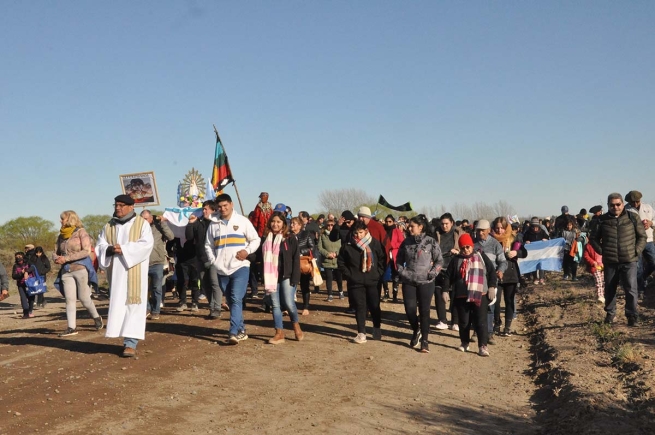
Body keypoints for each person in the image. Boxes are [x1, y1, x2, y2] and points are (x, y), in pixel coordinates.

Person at [96, 195, 154, 357]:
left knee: (134, 305)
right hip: (116, 273)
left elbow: (146, 245)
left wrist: (125, 249)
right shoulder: (109, 226)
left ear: (131, 207)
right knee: (119, 305)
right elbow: (100, 245)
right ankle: (120, 336)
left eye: (121, 205)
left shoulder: (141, 224)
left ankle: (130, 343)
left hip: (135, 272)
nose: (118, 208)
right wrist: (109, 249)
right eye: (116, 205)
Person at [204, 193, 261, 344]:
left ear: (232, 204)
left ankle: (233, 332)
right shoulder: (213, 224)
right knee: (231, 300)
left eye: (225, 205)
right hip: (222, 269)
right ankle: (241, 330)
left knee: (236, 298)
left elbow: (256, 239)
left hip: (240, 267)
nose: (223, 209)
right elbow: (208, 245)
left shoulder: (242, 221)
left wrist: (247, 251)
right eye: (220, 206)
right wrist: (213, 261)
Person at [589, 193, 647, 326]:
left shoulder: (632, 218)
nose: (615, 207)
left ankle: (632, 316)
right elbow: (593, 238)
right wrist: (601, 251)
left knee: (631, 289)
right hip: (610, 261)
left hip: (629, 260)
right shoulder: (601, 220)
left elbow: (642, 237)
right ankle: (610, 314)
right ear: (608, 205)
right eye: (612, 205)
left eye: (618, 204)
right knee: (610, 288)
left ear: (622, 204)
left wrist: (636, 251)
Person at [441, 233, 498, 356]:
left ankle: (483, 346)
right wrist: (445, 290)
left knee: (480, 321)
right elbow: (448, 276)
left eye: (468, 247)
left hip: (480, 294)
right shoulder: (456, 260)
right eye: (463, 248)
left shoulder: (481, 256)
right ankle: (464, 342)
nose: (466, 250)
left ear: (472, 246)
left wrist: (492, 287)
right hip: (461, 295)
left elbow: (492, 272)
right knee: (464, 321)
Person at [396, 216, 443, 353]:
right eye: (409, 226)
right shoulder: (405, 242)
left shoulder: (431, 242)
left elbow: (439, 261)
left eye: (412, 226)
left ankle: (425, 341)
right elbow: (398, 260)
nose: (409, 228)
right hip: (408, 280)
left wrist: (433, 273)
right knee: (410, 309)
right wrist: (402, 271)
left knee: (424, 311)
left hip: (426, 282)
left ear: (420, 227)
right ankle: (416, 330)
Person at [54, 210, 103, 336]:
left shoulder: (81, 232)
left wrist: (66, 258)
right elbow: (55, 251)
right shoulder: (60, 236)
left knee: (84, 298)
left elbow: (86, 251)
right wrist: (56, 258)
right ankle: (71, 327)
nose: (60, 221)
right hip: (66, 271)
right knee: (69, 300)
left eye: (63, 219)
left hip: (81, 269)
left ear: (70, 219)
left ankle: (97, 317)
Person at [338, 220, 385, 343]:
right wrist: (350, 275)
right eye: (356, 233)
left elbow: (382, 259)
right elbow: (341, 262)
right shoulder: (348, 245)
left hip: (373, 281)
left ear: (366, 231)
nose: (358, 236)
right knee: (360, 307)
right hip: (356, 281)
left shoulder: (375, 244)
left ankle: (376, 327)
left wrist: (378, 273)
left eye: (361, 232)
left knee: (374, 306)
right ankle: (361, 333)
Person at [263, 211, 304, 344]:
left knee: (288, 303)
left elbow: (295, 259)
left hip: (287, 276)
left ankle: (295, 324)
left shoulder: (290, 238)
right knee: (275, 305)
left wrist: (295, 278)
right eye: (273, 221)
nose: (275, 224)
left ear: (283, 224)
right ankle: (279, 332)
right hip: (272, 277)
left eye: (278, 222)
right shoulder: (266, 239)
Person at [187, 200, 226, 319]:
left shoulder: (217, 223)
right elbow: (189, 237)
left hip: (214, 258)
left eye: (206, 209)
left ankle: (217, 308)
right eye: (203, 209)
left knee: (215, 283)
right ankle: (212, 306)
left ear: (213, 211)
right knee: (205, 284)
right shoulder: (199, 223)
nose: (204, 211)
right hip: (200, 258)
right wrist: (190, 223)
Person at [491, 216, 527, 336]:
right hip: (496, 273)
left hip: (511, 273)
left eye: (502, 228)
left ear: (507, 228)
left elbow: (524, 253)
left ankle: (507, 326)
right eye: (497, 228)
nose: (499, 231)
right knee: (495, 301)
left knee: (509, 301)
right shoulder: (491, 240)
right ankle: (497, 323)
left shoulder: (514, 238)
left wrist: (516, 252)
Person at [473, 219, 507, 344]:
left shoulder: (495, 244)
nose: (480, 233)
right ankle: (476, 331)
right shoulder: (473, 244)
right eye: (478, 230)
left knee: (489, 307)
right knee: (476, 307)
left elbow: (503, 261)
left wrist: (500, 270)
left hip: (491, 281)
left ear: (488, 231)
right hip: (475, 281)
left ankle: (489, 333)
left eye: (482, 230)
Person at [139, 210, 174, 319]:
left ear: (151, 218)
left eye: (146, 218)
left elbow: (171, 236)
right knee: (142, 289)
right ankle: (146, 308)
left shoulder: (158, 228)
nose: (144, 221)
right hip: (142, 262)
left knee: (156, 288)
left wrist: (163, 223)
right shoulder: (137, 230)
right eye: (142, 219)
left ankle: (156, 311)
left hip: (157, 262)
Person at [435, 213, 464, 329]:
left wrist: (458, 251)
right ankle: (442, 320)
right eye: (442, 224)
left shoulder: (459, 233)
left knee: (455, 295)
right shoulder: (436, 233)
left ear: (452, 223)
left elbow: (468, 248)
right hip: (440, 268)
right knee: (438, 293)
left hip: (455, 267)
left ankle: (455, 321)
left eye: (446, 224)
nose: (444, 226)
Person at [625, 191, 655, 300]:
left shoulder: (648, 207)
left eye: (637, 201)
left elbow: (654, 219)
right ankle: (641, 289)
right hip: (634, 242)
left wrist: (650, 223)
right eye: (633, 202)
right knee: (638, 267)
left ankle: (643, 278)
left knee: (653, 262)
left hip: (649, 240)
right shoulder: (625, 210)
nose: (635, 204)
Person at [330, 210, 357, 313]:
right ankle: (352, 306)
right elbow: (332, 238)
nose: (348, 224)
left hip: (358, 257)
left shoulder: (358, 227)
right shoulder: (342, 228)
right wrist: (337, 226)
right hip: (347, 258)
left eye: (349, 222)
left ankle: (361, 306)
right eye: (346, 222)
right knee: (350, 283)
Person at [290, 217, 314, 315]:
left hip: (302, 263)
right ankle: (289, 306)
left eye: (294, 223)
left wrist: (300, 252)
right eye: (291, 223)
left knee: (304, 286)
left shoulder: (306, 234)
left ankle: (306, 307)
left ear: (300, 225)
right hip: (290, 264)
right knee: (290, 286)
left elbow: (312, 247)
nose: (291, 225)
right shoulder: (288, 235)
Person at [383, 214, 406, 303]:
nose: (388, 223)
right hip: (385, 255)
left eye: (390, 221)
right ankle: (386, 293)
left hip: (394, 255)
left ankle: (395, 296)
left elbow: (401, 242)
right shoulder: (383, 230)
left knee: (395, 275)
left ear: (393, 222)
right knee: (384, 275)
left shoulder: (397, 231)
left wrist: (392, 246)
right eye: (386, 221)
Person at [319, 219, 343, 301]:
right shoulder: (322, 235)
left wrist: (336, 253)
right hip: (327, 260)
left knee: (339, 277)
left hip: (337, 260)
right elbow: (320, 247)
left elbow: (342, 246)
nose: (330, 227)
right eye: (328, 225)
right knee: (329, 277)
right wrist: (327, 254)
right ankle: (330, 294)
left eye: (332, 225)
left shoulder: (339, 234)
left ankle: (341, 291)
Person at [523, 217, 550, 284]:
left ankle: (541, 278)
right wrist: (526, 242)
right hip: (532, 252)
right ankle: (535, 278)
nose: (535, 228)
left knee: (541, 264)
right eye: (533, 227)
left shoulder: (542, 232)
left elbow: (548, 238)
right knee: (534, 264)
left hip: (541, 251)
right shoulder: (527, 233)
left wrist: (546, 240)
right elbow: (523, 240)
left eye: (536, 227)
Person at [12, 252, 36, 318]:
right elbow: (14, 276)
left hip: (30, 283)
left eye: (20, 256)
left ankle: (30, 311)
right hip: (21, 284)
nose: (18, 258)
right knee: (23, 298)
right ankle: (25, 313)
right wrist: (21, 274)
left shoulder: (28, 263)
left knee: (31, 297)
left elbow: (33, 267)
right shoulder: (15, 266)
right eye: (17, 257)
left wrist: (26, 271)